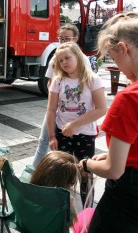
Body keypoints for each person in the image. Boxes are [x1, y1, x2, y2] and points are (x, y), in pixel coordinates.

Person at [78, 12, 138, 233]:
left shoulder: (129, 97)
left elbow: (113, 170)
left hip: (128, 198)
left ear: (123, 49)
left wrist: (87, 164)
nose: (117, 66)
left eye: (114, 57)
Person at [46, 42, 106, 208]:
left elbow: (101, 109)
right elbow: (51, 110)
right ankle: (61, 209)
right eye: (60, 60)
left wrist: (74, 124)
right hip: (61, 134)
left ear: (78, 56)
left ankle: (87, 210)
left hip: (85, 134)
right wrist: (51, 135)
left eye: (67, 58)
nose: (64, 62)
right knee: (61, 173)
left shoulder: (92, 79)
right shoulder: (58, 81)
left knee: (85, 174)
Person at [32, 24, 92, 167]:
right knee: (44, 141)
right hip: (57, 110)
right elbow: (49, 82)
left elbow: (88, 90)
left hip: (77, 118)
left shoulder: (83, 59)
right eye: (60, 39)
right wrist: (55, 98)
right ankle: (34, 172)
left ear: (76, 39)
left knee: (79, 160)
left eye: (67, 38)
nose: (63, 42)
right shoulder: (55, 58)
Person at [30, 151, 94, 233]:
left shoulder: (26, 190)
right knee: (90, 212)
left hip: (32, 228)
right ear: (69, 182)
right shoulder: (63, 202)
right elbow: (71, 222)